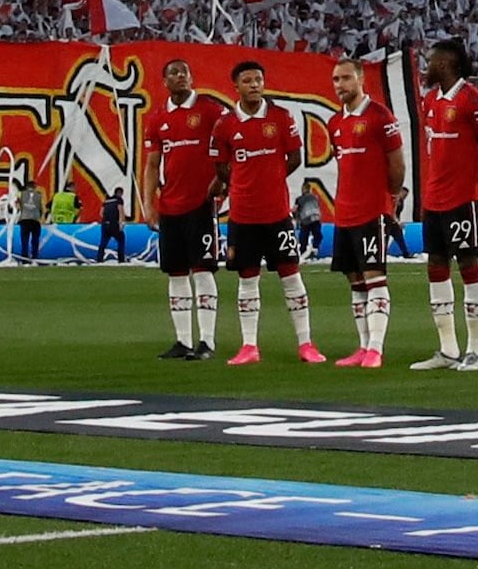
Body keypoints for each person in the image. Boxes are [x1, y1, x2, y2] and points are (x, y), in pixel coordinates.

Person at [410, 40, 478, 370]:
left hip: (463, 198)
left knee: (468, 265)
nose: (427, 66)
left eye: (432, 60)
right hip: (434, 199)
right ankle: (448, 350)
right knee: (435, 264)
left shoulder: (471, 98)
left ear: (447, 64)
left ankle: (474, 349)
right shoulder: (431, 99)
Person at [215, 60, 309, 366]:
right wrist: (244, 184)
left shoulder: (281, 117)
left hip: (277, 213)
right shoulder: (225, 125)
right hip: (242, 215)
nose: (254, 84)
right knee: (247, 279)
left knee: (291, 276)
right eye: (248, 80)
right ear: (236, 86)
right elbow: (221, 167)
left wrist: (270, 177)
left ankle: (306, 344)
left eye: (258, 79)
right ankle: (249, 346)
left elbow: (294, 157)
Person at [150, 61, 229, 358]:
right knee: (176, 272)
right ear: (164, 81)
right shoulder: (158, 117)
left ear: (192, 78)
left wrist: (222, 182)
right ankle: (183, 340)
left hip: (201, 204)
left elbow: (229, 146)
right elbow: (151, 164)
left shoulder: (210, 111)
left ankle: (206, 341)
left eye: (185, 72)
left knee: (204, 270)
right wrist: (149, 203)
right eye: (174, 72)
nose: (180, 76)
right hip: (170, 205)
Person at [321, 73, 400, 368]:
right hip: (345, 211)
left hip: (372, 210)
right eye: (335, 80)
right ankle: (363, 346)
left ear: (360, 79)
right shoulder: (334, 122)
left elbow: (397, 163)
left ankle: (376, 349)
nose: (340, 84)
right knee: (354, 280)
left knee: (374, 276)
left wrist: (389, 200)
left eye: (345, 78)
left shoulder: (380, 116)